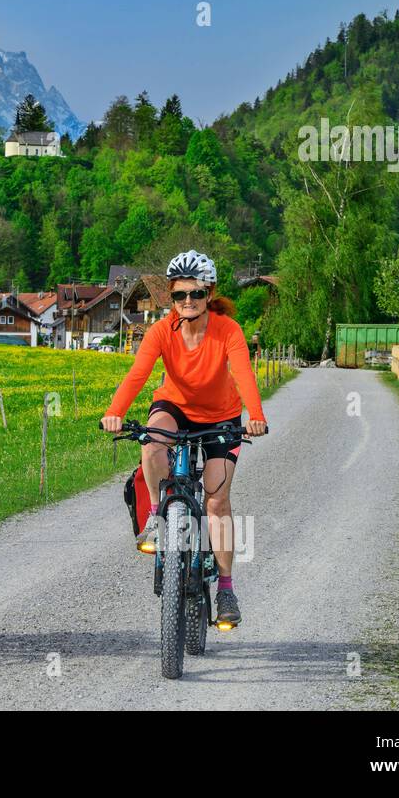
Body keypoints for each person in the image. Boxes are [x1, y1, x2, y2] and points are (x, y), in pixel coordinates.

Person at [100, 250, 267, 627]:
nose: (187, 301)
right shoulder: (162, 331)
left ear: (209, 294)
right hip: (174, 405)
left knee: (217, 501)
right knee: (152, 441)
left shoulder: (228, 330)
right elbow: (139, 374)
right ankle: (159, 518)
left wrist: (255, 416)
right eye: (179, 295)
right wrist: (116, 412)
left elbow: (242, 373)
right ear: (171, 298)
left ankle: (225, 588)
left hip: (221, 415)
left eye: (195, 293)